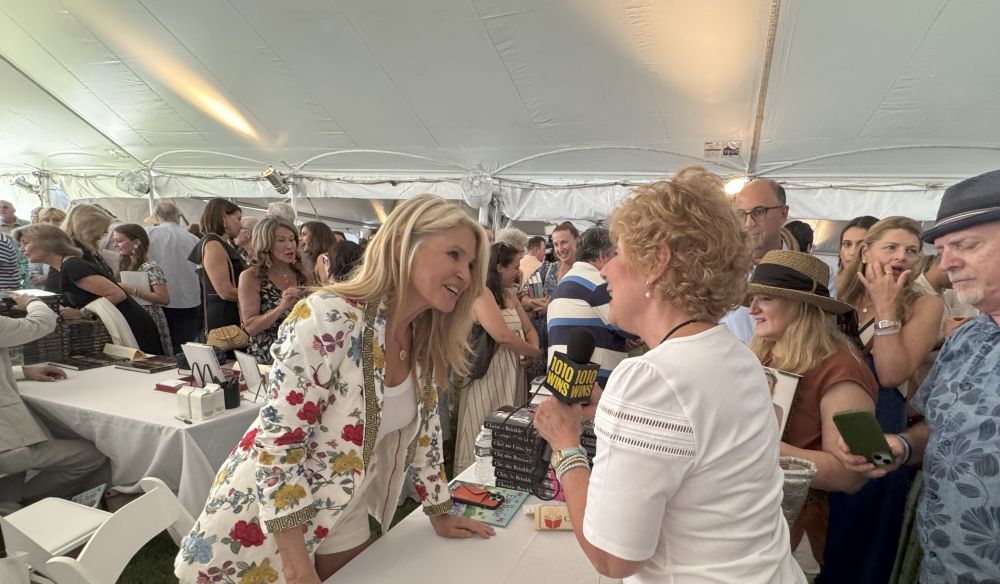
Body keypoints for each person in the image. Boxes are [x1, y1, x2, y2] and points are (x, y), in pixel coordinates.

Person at [176, 194, 494, 583]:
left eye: (472, 264)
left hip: (344, 503)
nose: (465, 273)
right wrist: (295, 565)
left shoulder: (423, 336)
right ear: (402, 245)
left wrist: (439, 511)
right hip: (267, 522)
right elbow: (280, 444)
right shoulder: (329, 316)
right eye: (454, 254)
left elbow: (426, 433)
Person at [532, 167, 803, 583]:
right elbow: (700, 448)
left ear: (657, 262)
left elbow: (613, 558)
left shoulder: (651, 379)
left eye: (618, 254)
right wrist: (610, 411)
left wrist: (566, 447)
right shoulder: (736, 354)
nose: (605, 271)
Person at [836, 168, 1000, 583]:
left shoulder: (926, 309)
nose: (946, 263)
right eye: (942, 249)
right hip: (942, 563)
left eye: (965, 245)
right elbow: (938, 426)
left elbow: (892, 375)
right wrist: (904, 447)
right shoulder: (971, 337)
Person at [825, 216, 943, 583]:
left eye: (911, 250)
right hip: (829, 416)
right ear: (865, 253)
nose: (902, 257)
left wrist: (887, 307)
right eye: (890, 247)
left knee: (863, 534)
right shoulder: (841, 297)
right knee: (823, 527)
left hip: (880, 425)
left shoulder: (927, 304)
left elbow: (893, 374)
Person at [746, 250, 879, 572]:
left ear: (801, 305)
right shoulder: (764, 353)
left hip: (799, 531)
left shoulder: (843, 369)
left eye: (765, 299)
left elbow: (853, 474)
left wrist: (762, 448)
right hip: (754, 520)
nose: (751, 309)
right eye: (753, 298)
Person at [0, 294, 109, 506]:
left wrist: (22, 371)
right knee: (92, 455)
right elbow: (42, 322)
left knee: (13, 478)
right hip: (7, 445)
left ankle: (13, 507)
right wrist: (31, 301)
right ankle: (30, 504)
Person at [454, 242, 541, 471]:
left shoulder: (509, 294)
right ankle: (476, 472)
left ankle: (507, 470)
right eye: (514, 266)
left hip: (513, 371)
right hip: (490, 374)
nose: (518, 272)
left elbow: (529, 328)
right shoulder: (481, 293)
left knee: (511, 421)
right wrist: (535, 353)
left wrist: (531, 349)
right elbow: (502, 335)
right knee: (484, 422)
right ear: (499, 267)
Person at [16, 225, 163, 355]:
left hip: (130, 327)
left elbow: (117, 294)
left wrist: (81, 313)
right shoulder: (65, 267)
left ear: (47, 243)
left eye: (26, 243)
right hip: (121, 326)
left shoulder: (72, 266)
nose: (22, 249)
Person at [547, 227, 638, 388]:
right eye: (616, 255)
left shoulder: (566, 282)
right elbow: (633, 330)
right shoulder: (597, 282)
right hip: (591, 385)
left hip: (563, 380)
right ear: (603, 256)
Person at [721, 179, 789, 343]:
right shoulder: (718, 270)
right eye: (741, 214)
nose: (748, 223)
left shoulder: (810, 274)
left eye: (759, 212)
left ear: (783, 214)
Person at [238, 218, 309, 365]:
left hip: (302, 354)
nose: (290, 246)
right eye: (281, 240)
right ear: (266, 245)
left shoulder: (304, 273)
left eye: (292, 239)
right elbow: (250, 327)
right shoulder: (251, 277)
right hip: (268, 357)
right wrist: (281, 307)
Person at [146, 202, 202, 353]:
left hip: (158, 298)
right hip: (188, 299)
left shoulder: (148, 234)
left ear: (156, 216)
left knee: (161, 348)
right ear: (177, 217)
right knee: (185, 348)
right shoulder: (193, 239)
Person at [187, 198, 245, 338]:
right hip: (224, 317)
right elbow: (225, 291)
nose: (241, 224)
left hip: (226, 312)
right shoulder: (213, 245)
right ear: (224, 217)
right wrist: (257, 296)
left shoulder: (217, 243)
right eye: (238, 218)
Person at [113, 224, 173, 355]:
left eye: (119, 241)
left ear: (136, 243)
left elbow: (163, 298)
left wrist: (133, 289)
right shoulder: (125, 264)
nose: (115, 245)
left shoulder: (150, 266)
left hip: (149, 318)